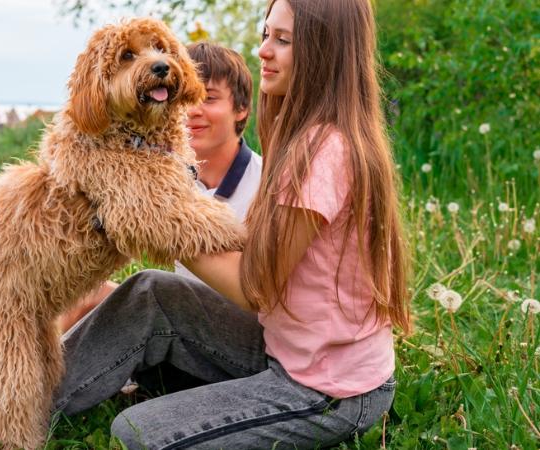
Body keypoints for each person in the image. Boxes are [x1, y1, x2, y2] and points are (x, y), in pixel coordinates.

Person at [53, 0, 411, 448]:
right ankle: (17, 407)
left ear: (325, 53)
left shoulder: (324, 153)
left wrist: (155, 221)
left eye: (283, 40)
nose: (263, 50)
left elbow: (253, 288)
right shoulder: (305, 136)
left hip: (328, 388)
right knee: (149, 291)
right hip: (282, 344)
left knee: (138, 431)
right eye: (266, 35)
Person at [57, 42, 261, 333]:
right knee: (86, 296)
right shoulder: (166, 178)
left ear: (241, 109)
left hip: (240, 333)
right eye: (182, 98)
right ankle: (49, 374)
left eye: (209, 98)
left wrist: (163, 225)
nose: (192, 111)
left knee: (149, 288)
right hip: (183, 317)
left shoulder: (266, 182)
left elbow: (260, 289)